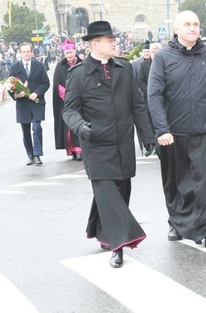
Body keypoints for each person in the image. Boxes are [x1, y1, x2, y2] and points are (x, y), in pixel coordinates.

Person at [62, 21, 154, 268]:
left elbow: (137, 105)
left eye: (113, 39)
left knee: (120, 193)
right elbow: (69, 110)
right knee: (106, 191)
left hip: (123, 143)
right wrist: (81, 127)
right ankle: (119, 244)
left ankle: (101, 231)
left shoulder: (124, 69)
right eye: (108, 40)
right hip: (96, 143)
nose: (114, 43)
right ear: (95, 44)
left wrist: (147, 136)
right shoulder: (78, 74)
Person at [147, 11, 206, 249]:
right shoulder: (163, 57)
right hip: (174, 132)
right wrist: (162, 129)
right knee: (177, 182)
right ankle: (176, 221)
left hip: (205, 129)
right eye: (187, 24)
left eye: (195, 24)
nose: (192, 28)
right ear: (176, 28)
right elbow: (153, 95)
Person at [8, 42, 51, 165]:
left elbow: (46, 83)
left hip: (37, 103)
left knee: (36, 127)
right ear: (20, 53)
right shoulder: (15, 67)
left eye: (28, 51)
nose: (26, 54)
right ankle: (30, 155)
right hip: (23, 104)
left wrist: (36, 93)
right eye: (24, 52)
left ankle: (37, 154)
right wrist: (15, 95)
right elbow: (10, 85)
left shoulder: (39, 66)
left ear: (32, 52)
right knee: (25, 130)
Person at [53, 40, 82, 160]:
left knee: (80, 124)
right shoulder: (60, 66)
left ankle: (80, 149)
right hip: (66, 102)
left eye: (71, 52)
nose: (69, 55)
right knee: (68, 128)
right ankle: (72, 150)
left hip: (82, 101)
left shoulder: (82, 64)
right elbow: (57, 84)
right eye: (67, 53)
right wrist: (68, 96)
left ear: (75, 51)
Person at [137, 42, 162, 157]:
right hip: (148, 99)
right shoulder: (144, 65)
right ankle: (153, 145)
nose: (153, 54)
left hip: (163, 99)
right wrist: (150, 91)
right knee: (151, 123)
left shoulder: (165, 63)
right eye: (152, 52)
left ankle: (160, 145)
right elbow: (140, 81)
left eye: (155, 52)